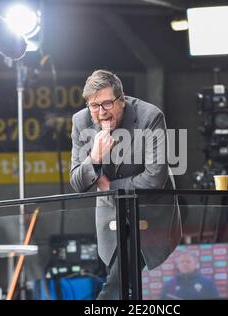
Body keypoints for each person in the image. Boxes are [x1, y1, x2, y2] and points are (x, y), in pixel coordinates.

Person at [70, 69, 182, 300]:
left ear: (122, 99)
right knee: (121, 282)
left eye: (108, 103)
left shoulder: (150, 116)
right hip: (111, 217)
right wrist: (94, 158)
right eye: (94, 106)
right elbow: (77, 181)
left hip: (149, 212)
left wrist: (108, 186)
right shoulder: (81, 122)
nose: (101, 113)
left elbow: (154, 177)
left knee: (116, 285)